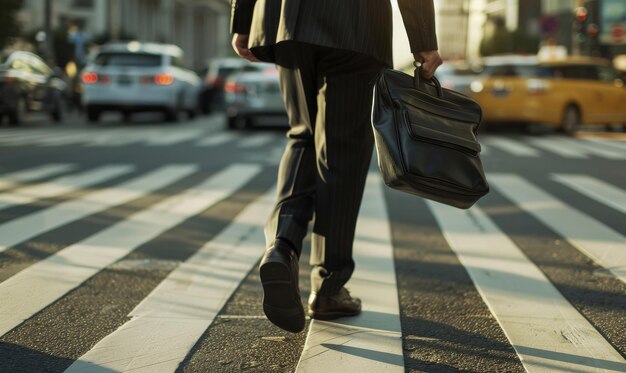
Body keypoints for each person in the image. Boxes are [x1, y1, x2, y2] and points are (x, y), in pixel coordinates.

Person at [230, 0, 442, 333]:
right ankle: (328, 287)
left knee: (302, 134)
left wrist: (242, 18)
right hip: (356, 22)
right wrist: (423, 40)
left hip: (286, 16)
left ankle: (282, 247)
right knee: (341, 150)